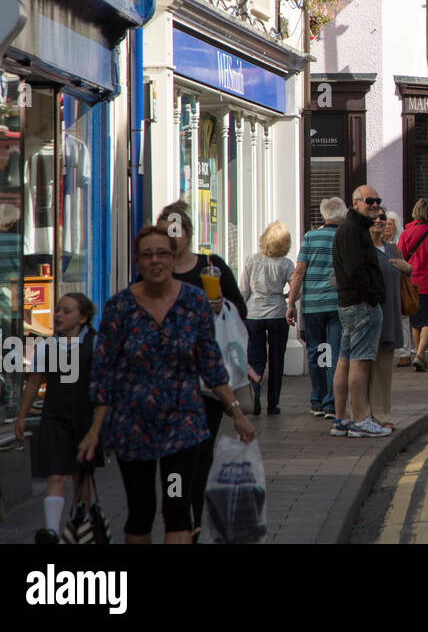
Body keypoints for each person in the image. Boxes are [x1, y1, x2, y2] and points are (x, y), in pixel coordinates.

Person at [80, 225, 254, 544]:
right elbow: (104, 374)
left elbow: (210, 364)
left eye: (162, 253)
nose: (155, 261)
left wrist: (237, 412)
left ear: (173, 259)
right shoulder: (120, 308)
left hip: (181, 429)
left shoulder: (193, 302)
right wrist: (94, 430)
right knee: (141, 510)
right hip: (133, 430)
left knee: (177, 508)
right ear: (138, 262)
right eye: (147, 255)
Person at [157, 200, 249, 540]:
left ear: (189, 233)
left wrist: (221, 303)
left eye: (176, 231)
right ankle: (181, 518)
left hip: (208, 376)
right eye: (165, 231)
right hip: (169, 378)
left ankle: (195, 518)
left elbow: (240, 308)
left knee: (201, 448)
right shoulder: (155, 271)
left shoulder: (212, 266)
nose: (171, 238)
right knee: (176, 454)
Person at [15, 293, 104, 544]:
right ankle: (52, 531)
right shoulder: (47, 347)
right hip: (54, 417)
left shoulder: (96, 345)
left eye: (66, 311)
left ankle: (81, 523)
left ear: (83, 317)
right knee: (56, 474)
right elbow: (34, 382)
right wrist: (21, 415)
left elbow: (104, 386)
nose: (58, 315)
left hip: (85, 419)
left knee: (81, 476)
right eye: (58, 311)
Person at [330, 186, 390, 439]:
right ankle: (359, 420)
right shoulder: (353, 231)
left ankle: (341, 419)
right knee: (360, 362)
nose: (375, 205)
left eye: (377, 200)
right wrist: (372, 297)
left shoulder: (351, 229)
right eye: (369, 201)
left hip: (349, 304)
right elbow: (356, 271)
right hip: (361, 305)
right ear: (355, 203)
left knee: (345, 359)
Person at [287, 197, 345, 419]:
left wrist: (291, 303)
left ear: (323, 216)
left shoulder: (310, 237)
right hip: (337, 304)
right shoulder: (343, 237)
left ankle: (318, 399)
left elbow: (299, 271)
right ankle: (331, 403)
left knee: (319, 352)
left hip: (313, 307)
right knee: (333, 353)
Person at [241, 221, 294, 416]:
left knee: (255, 357)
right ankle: (273, 404)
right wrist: (289, 299)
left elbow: (244, 290)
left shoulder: (251, 260)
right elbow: (296, 286)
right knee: (276, 358)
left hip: (253, 313)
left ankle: (255, 388)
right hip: (277, 313)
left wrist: (240, 312)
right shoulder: (286, 263)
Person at [369, 210, 410, 428]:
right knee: (365, 369)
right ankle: (365, 415)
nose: (379, 221)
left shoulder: (393, 248)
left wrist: (408, 268)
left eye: (382, 218)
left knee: (384, 370)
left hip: (390, 316)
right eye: (374, 218)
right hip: (367, 317)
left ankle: (382, 416)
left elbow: (404, 273)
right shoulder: (362, 249)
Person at [399, 199, 428, 372]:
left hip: (412, 282)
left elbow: (400, 259)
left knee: (416, 322)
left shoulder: (406, 234)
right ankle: (420, 354)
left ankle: (420, 355)